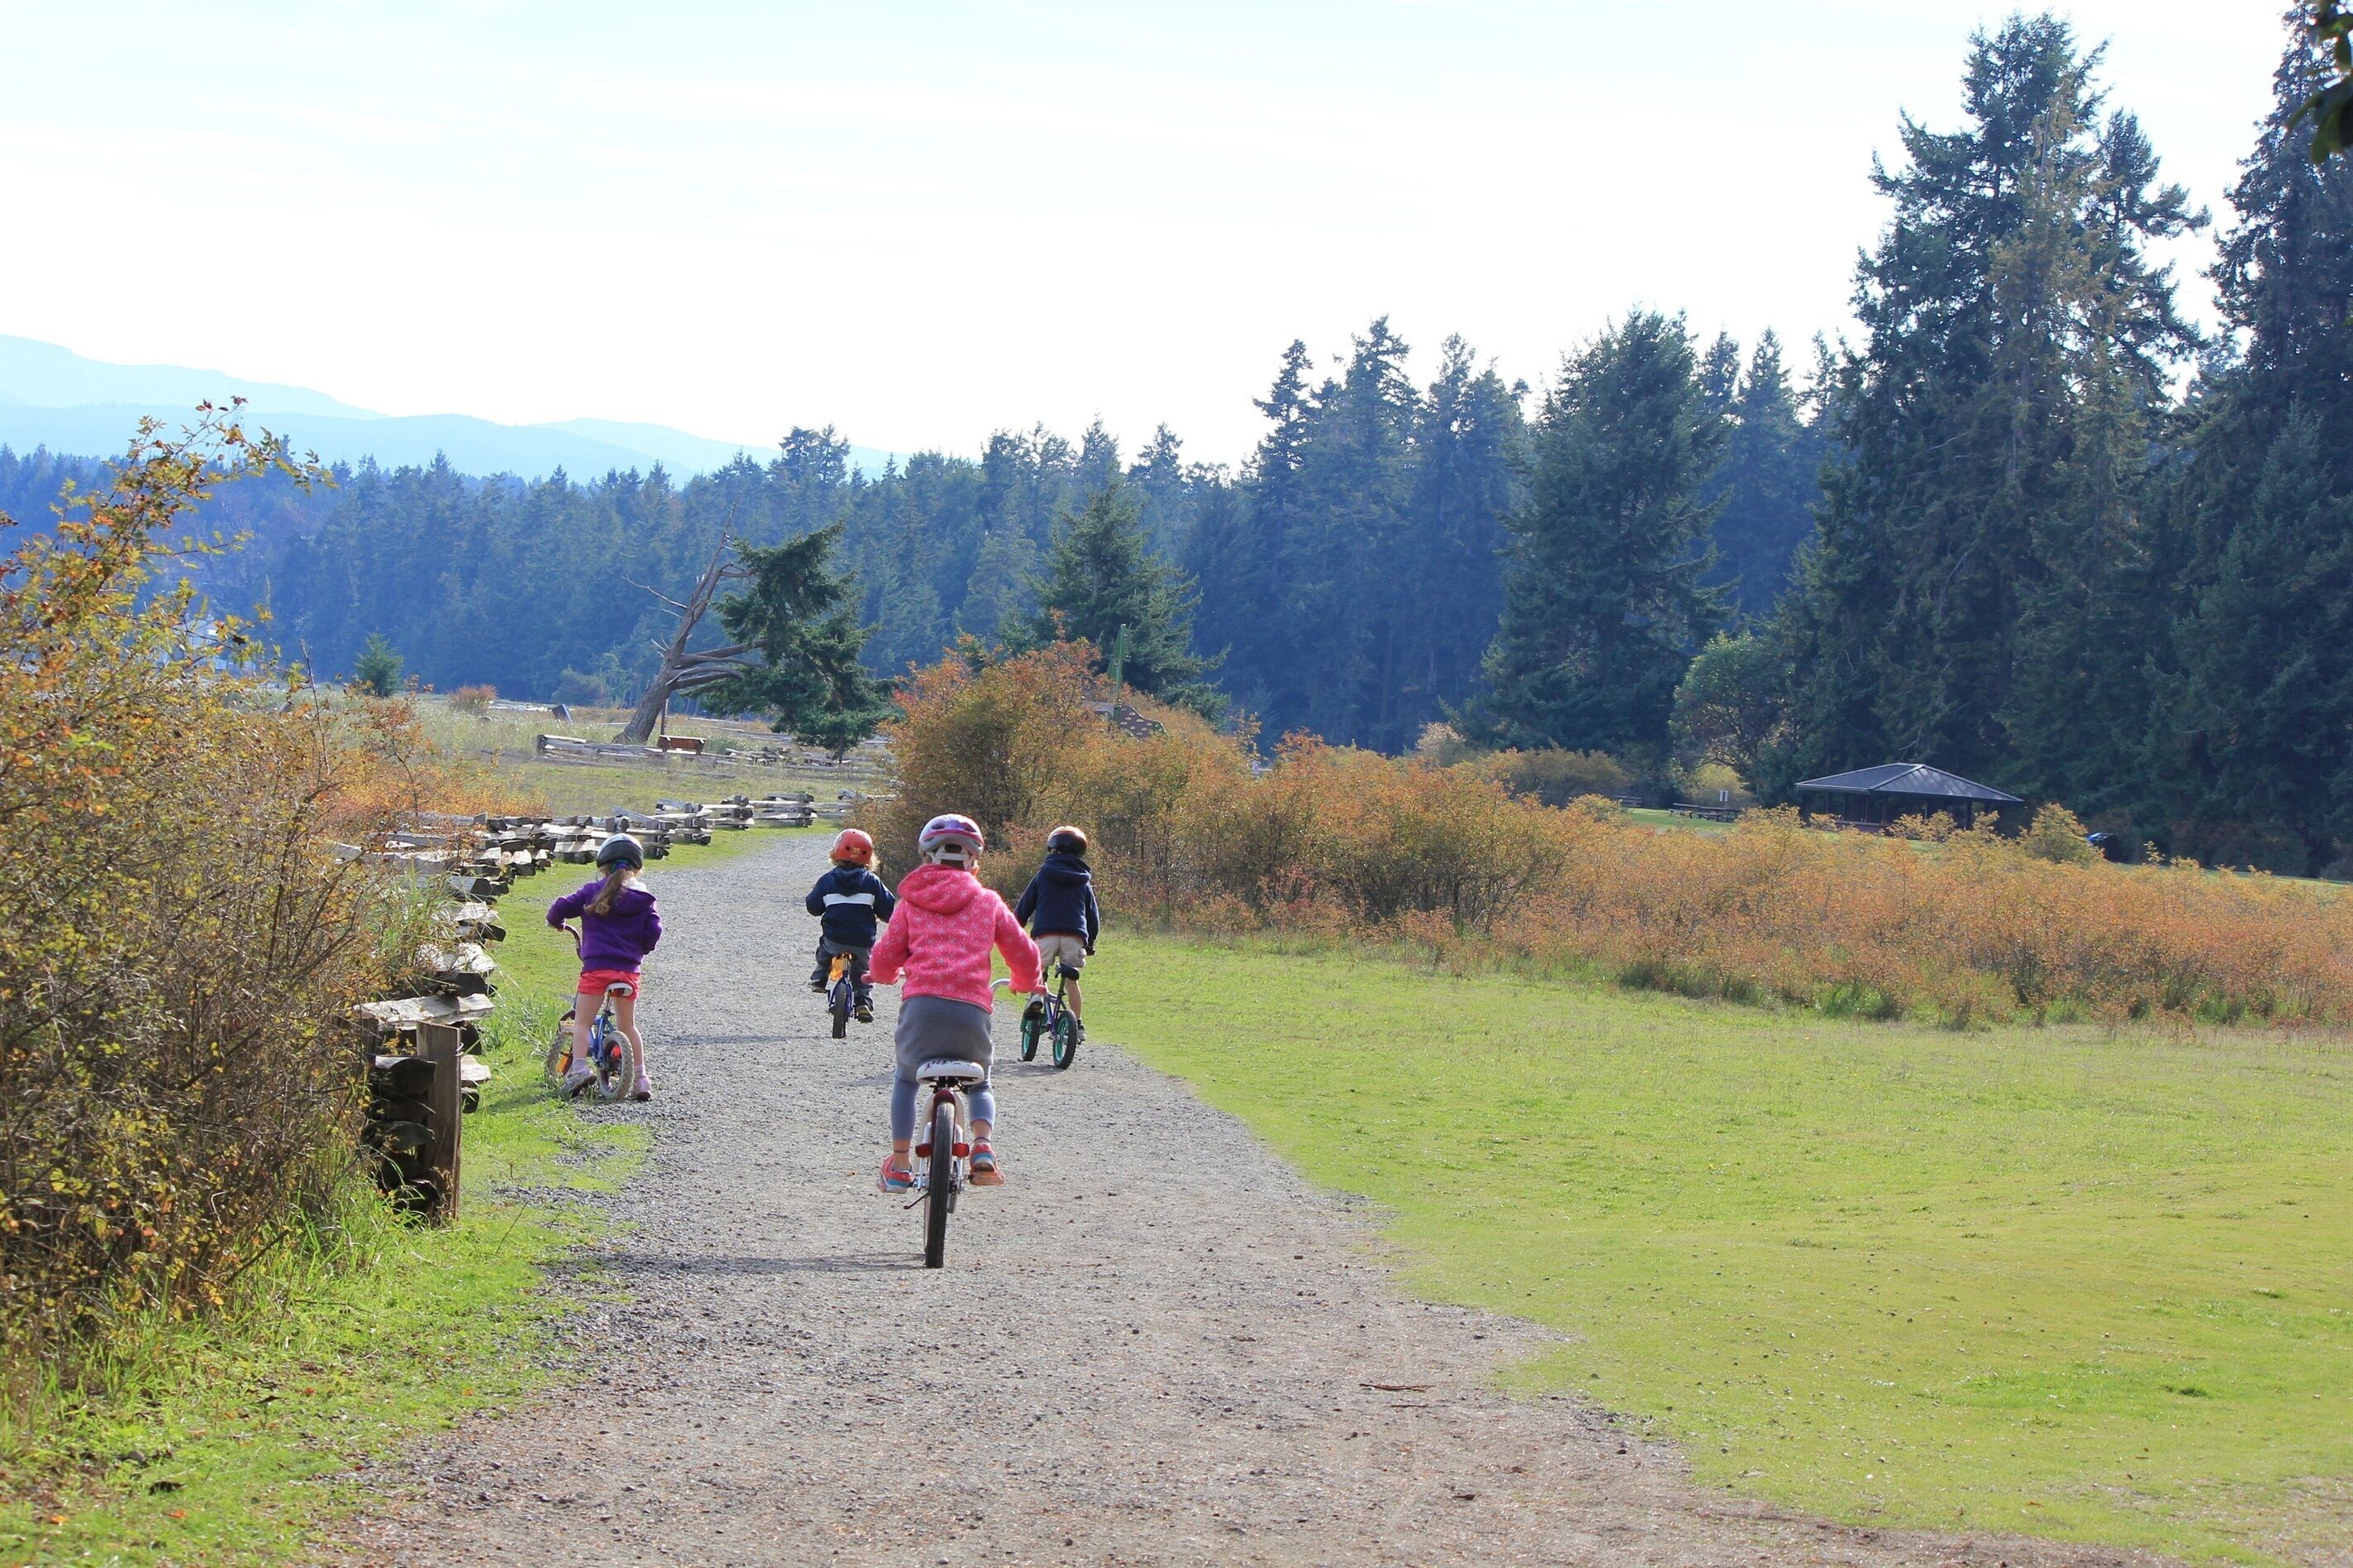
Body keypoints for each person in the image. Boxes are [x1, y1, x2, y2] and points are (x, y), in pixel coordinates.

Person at [867, 813, 1038, 1192]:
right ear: (973, 861)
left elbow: (885, 956)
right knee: (980, 1083)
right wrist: (1025, 983)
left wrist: (881, 975)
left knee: (906, 1079)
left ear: (927, 858)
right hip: (971, 1013)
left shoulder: (910, 904)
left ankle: (898, 1165)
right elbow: (1025, 955)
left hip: (921, 1010)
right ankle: (983, 1150)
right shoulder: (989, 902)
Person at [546, 833, 662, 1101]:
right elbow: (655, 930)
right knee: (628, 1025)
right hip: (628, 972)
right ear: (637, 867)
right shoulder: (645, 899)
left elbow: (561, 907)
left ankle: (579, 1068)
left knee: (583, 1022)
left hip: (597, 969)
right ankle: (642, 1078)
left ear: (603, 866)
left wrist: (555, 920)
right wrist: (640, 949)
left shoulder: (591, 891)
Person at [804, 827, 895, 1023]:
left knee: (825, 951)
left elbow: (813, 907)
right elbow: (888, 909)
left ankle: (820, 978)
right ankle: (862, 1002)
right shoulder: (873, 882)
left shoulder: (827, 880)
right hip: (862, 941)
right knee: (862, 971)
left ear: (836, 852)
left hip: (835, 938)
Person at [1013, 824, 1101, 1024]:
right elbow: (1092, 915)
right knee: (1071, 980)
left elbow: (1026, 904)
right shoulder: (1083, 881)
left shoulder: (1043, 874)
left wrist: (1016, 927)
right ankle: (1077, 1023)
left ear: (1052, 848)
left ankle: (1036, 996)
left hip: (1046, 934)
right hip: (1075, 937)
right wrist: (1090, 942)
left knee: (1039, 968)